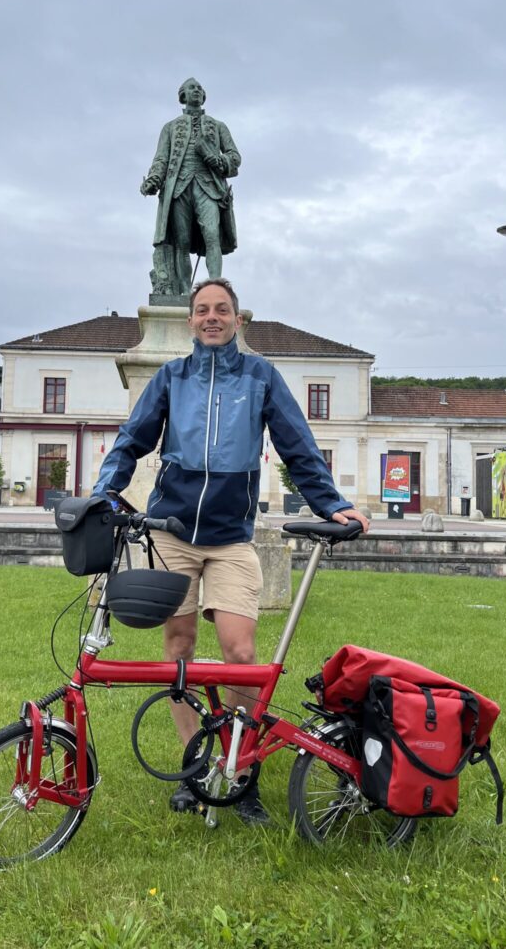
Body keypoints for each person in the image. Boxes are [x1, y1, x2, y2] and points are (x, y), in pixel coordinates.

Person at [93, 279, 369, 823]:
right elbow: (131, 439)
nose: (212, 317)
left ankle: (239, 772)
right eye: (202, 310)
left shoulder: (260, 376)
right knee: (178, 649)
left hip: (231, 539)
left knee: (241, 658)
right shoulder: (172, 378)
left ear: (238, 320)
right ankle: (196, 767)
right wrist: (106, 492)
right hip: (172, 533)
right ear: (192, 321)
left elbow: (297, 443)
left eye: (222, 310)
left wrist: (331, 503)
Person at [141, 78, 240, 293]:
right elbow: (161, 159)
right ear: (183, 96)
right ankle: (185, 291)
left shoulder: (218, 126)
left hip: (209, 188)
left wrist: (221, 161)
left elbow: (234, 157)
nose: (196, 91)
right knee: (181, 242)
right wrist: (153, 180)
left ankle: (216, 287)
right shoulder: (170, 128)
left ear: (203, 96)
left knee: (212, 235)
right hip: (179, 188)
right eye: (191, 88)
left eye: (199, 88)